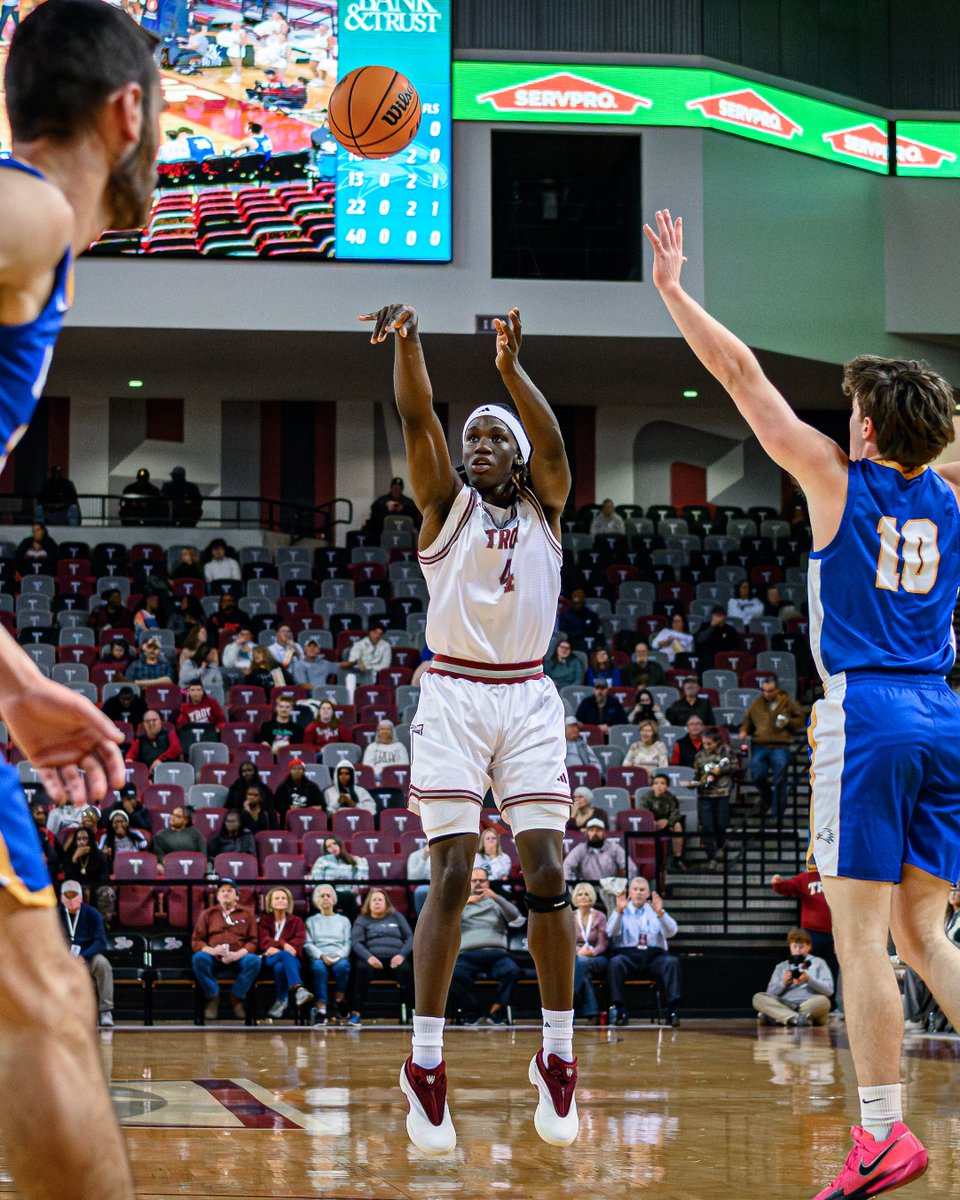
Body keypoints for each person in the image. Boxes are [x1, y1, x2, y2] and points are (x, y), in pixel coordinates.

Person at [646, 207, 956, 1197]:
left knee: (861, 938)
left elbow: (744, 378)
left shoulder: (834, 477)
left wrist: (674, 292)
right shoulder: (951, 488)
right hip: (944, 715)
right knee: (924, 934)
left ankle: (880, 1136)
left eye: (856, 404)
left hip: (866, 715)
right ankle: (882, 1127)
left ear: (866, 425)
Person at [362, 301, 578, 1152]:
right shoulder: (442, 505)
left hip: (526, 695)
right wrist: (410, 344)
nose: (477, 445)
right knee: (452, 875)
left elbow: (555, 449)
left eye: (493, 438)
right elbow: (416, 415)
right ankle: (425, 1063)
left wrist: (509, 373)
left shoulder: (546, 508)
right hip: (452, 693)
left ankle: (558, 1057)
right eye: (473, 439)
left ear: (517, 457)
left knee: (549, 870)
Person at [449, 867, 523, 1025]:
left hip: (497, 953)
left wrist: (496, 897)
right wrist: (465, 902)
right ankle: (474, 1012)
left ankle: (494, 1010)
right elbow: (445, 921)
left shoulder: (496, 902)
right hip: (467, 954)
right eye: (474, 881)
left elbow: (516, 917)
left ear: (487, 882)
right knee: (454, 974)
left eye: (481, 880)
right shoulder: (459, 903)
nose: (477, 884)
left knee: (512, 970)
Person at [605, 875, 681, 1027]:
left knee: (672, 962)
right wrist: (619, 910)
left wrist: (661, 913)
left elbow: (672, 931)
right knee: (615, 963)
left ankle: (672, 1010)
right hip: (628, 955)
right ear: (630, 893)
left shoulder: (655, 910)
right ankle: (620, 1010)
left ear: (648, 893)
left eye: (642, 890)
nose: (639, 893)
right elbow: (610, 932)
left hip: (653, 956)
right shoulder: (622, 909)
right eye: (635, 889)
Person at [191, 879, 261, 1021]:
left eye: (229, 891)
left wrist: (237, 955)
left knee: (254, 961)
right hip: (214, 955)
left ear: (237, 896)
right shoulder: (208, 913)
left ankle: (237, 997)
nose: (225, 894)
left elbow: (253, 941)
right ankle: (213, 996)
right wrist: (212, 950)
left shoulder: (247, 913)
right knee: (198, 959)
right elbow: (197, 941)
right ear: (217, 896)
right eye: (222, 891)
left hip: (238, 955)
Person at [740, 676, 805, 820]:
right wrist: (744, 730)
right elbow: (748, 720)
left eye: (770, 690)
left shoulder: (787, 702)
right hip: (760, 745)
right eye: (764, 691)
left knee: (780, 780)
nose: (767, 694)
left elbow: (801, 719)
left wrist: (788, 722)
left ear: (776, 689)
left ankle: (777, 815)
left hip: (780, 745)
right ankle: (768, 798)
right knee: (757, 775)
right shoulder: (757, 703)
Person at [351, 888, 414, 1026]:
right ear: (368, 903)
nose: (377, 902)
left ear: (386, 903)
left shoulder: (397, 916)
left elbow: (410, 937)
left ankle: (413, 1012)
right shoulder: (362, 919)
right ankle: (356, 1013)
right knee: (361, 970)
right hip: (372, 959)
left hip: (396, 958)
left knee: (407, 971)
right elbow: (356, 943)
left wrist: (402, 955)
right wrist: (369, 958)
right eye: (374, 900)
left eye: (380, 899)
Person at [58, 880, 114, 1027]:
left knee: (103, 964)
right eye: (67, 896)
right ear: (61, 898)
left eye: (74, 896)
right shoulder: (55, 915)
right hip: (64, 960)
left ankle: (105, 1010)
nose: (70, 900)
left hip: (87, 957)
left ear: (81, 898)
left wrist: (84, 956)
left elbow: (100, 941)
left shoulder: (92, 914)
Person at [752, 929, 834, 1027]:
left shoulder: (819, 963)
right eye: (795, 946)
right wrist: (783, 983)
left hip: (808, 1004)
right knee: (758, 998)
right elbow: (769, 993)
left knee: (824, 1001)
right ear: (790, 947)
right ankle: (796, 1018)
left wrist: (808, 979)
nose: (798, 950)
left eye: (801, 947)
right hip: (786, 1003)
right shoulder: (781, 966)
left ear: (809, 946)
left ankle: (778, 1016)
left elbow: (829, 991)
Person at [257, 885, 313, 1019]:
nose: (280, 900)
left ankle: (282, 999)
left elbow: (298, 942)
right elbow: (264, 941)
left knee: (280, 967)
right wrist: (284, 944)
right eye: (277, 898)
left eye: (283, 898)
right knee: (284, 955)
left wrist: (279, 946)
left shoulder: (297, 921)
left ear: (288, 902)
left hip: (292, 960)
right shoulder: (265, 920)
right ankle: (299, 989)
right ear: (270, 902)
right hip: (270, 958)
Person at [303, 884, 352, 1025]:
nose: (325, 898)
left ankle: (340, 999)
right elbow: (308, 943)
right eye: (321, 896)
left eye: (328, 895)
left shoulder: (344, 920)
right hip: (319, 956)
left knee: (343, 967)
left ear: (334, 900)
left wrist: (337, 956)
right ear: (316, 901)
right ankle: (321, 1009)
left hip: (339, 955)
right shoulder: (311, 921)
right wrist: (321, 956)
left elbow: (348, 942)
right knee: (318, 968)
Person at [770, 866, 834, 971]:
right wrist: (778, 883)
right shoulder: (805, 877)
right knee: (808, 969)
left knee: (831, 970)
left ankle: (830, 987)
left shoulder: (836, 876)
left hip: (835, 933)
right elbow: (788, 887)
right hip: (811, 933)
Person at [691, 729, 734, 871]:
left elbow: (734, 766)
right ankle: (711, 857)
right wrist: (693, 783)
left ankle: (721, 850)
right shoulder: (699, 755)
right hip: (704, 795)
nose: (706, 746)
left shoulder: (725, 752)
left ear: (716, 742)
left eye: (709, 744)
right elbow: (696, 774)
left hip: (721, 793)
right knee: (707, 826)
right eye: (704, 743)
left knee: (721, 824)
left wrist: (718, 771)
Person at [563, 819, 635, 893]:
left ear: (604, 833)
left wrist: (628, 888)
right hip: (587, 891)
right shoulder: (580, 849)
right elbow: (566, 866)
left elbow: (631, 868)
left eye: (598, 830)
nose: (595, 833)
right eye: (591, 830)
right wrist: (570, 891)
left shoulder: (614, 848)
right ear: (587, 833)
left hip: (610, 890)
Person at [571, 881, 608, 1021]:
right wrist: (579, 950)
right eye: (580, 894)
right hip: (578, 956)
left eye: (586, 894)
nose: (583, 897)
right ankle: (592, 1011)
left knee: (581, 963)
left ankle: (570, 997)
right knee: (582, 968)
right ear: (575, 897)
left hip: (597, 957)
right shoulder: (570, 916)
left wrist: (593, 952)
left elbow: (602, 943)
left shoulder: (600, 916)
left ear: (592, 896)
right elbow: (569, 942)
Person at [308, 835, 369, 920]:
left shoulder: (352, 860)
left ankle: (351, 927)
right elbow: (317, 880)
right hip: (329, 891)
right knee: (317, 896)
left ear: (340, 845)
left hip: (346, 891)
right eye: (329, 846)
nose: (332, 847)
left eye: (334, 844)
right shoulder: (322, 860)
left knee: (350, 896)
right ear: (326, 850)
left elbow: (361, 878)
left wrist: (356, 888)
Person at [636, 773, 686, 871]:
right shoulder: (645, 798)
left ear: (667, 786)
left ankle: (677, 859)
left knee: (678, 825)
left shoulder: (671, 798)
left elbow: (675, 814)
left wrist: (668, 822)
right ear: (652, 786)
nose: (659, 786)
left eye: (662, 783)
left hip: (667, 824)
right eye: (656, 783)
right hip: (651, 825)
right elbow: (643, 814)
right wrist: (654, 822)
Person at [126, 710, 183, 775]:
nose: (151, 723)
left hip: (172, 773)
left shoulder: (170, 734)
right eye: (147, 721)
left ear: (160, 722)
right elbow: (129, 758)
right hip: (150, 778)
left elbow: (176, 748)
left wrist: (159, 760)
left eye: (154, 720)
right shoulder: (139, 741)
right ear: (144, 724)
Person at [692, 605, 741, 670]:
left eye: (720, 615)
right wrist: (712, 627)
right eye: (716, 615)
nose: (718, 618)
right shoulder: (705, 626)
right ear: (712, 616)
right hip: (706, 659)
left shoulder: (730, 630)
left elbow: (735, 648)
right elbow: (699, 640)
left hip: (724, 660)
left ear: (724, 617)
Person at [177, 624, 220, 689]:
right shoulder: (186, 651)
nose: (205, 635)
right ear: (196, 634)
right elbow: (182, 672)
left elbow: (215, 668)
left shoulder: (209, 650)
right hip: (189, 680)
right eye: (203, 633)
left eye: (206, 633)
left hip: (205, 679)